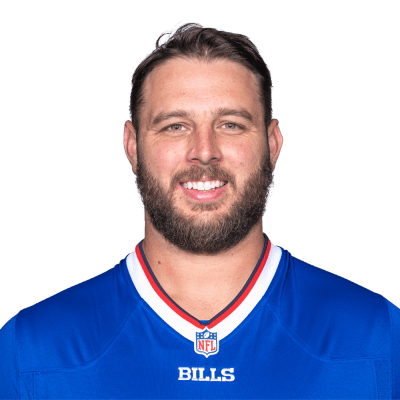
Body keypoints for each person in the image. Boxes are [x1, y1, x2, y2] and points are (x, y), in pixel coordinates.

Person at [1, 22, 399, 399]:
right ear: (132, 147)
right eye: (175, 126)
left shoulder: (378, 337)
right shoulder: (33, 348)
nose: (204, 150)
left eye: (231, 124)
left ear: (272, 145)